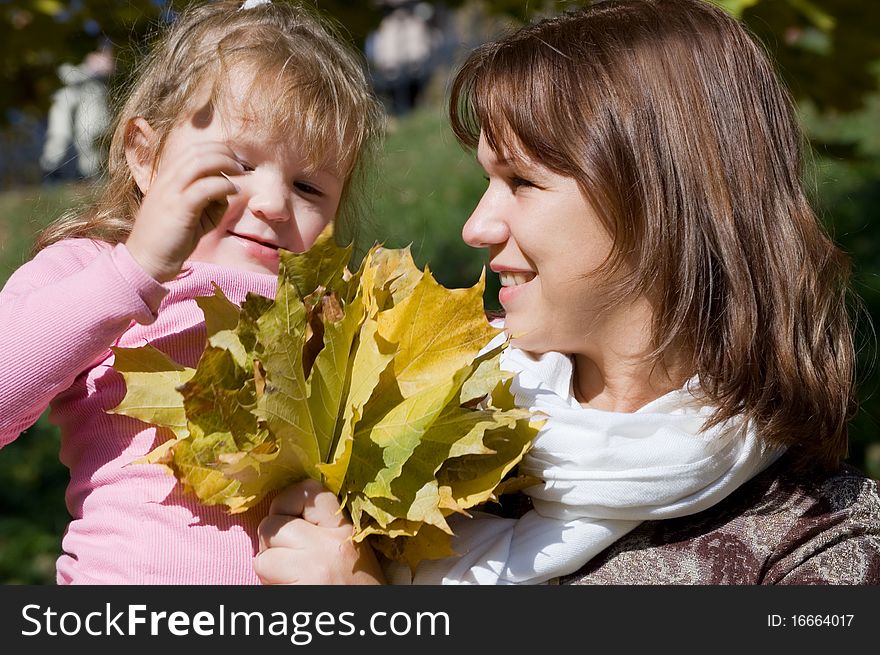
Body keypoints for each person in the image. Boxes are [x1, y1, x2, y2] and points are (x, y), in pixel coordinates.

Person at [253, 0, 880, 585]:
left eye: (521, 181)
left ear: (661, 203)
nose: (475, 227)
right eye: (486, 180)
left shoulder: (819, 547)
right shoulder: (404, 427)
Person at [0, 0, 383, 584]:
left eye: (309, 186)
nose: (274, 203)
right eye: (235, 164)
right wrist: (138, 270)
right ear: (146, 156)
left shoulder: (329, 313)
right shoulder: (92, 271)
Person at [40, 42, 115, 181]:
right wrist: (90, 69)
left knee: (89, 136)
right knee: (59, 136)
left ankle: (89, 175)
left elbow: (109, 70)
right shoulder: (62, 58)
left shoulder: (98, 47)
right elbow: (68, 75)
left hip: (91, 99)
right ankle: (51, 173)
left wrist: (99, 67)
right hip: (64, 99)